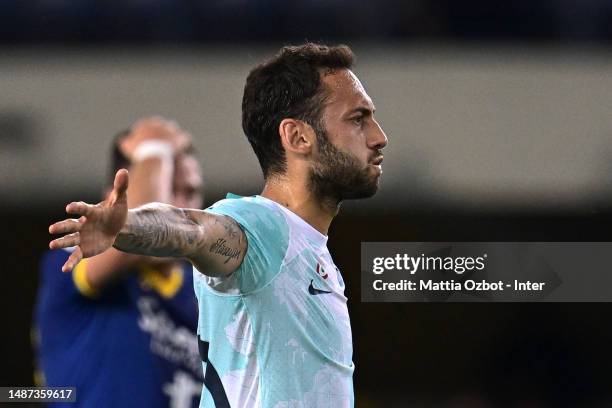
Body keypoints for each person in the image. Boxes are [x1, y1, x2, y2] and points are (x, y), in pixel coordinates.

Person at [49, 43, 388, 407]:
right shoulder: (261, 227)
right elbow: (193, 231)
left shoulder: (310, 251)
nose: (378, 136)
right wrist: (128, 227)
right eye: (358, 118)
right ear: (297, 137)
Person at [37, 117, 205, 407]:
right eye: (164, 189)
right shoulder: (73, 259)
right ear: (112, 202)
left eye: (189, 192)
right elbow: (139, 239)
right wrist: (155, 144)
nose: (177, 206)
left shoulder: (207, 289)